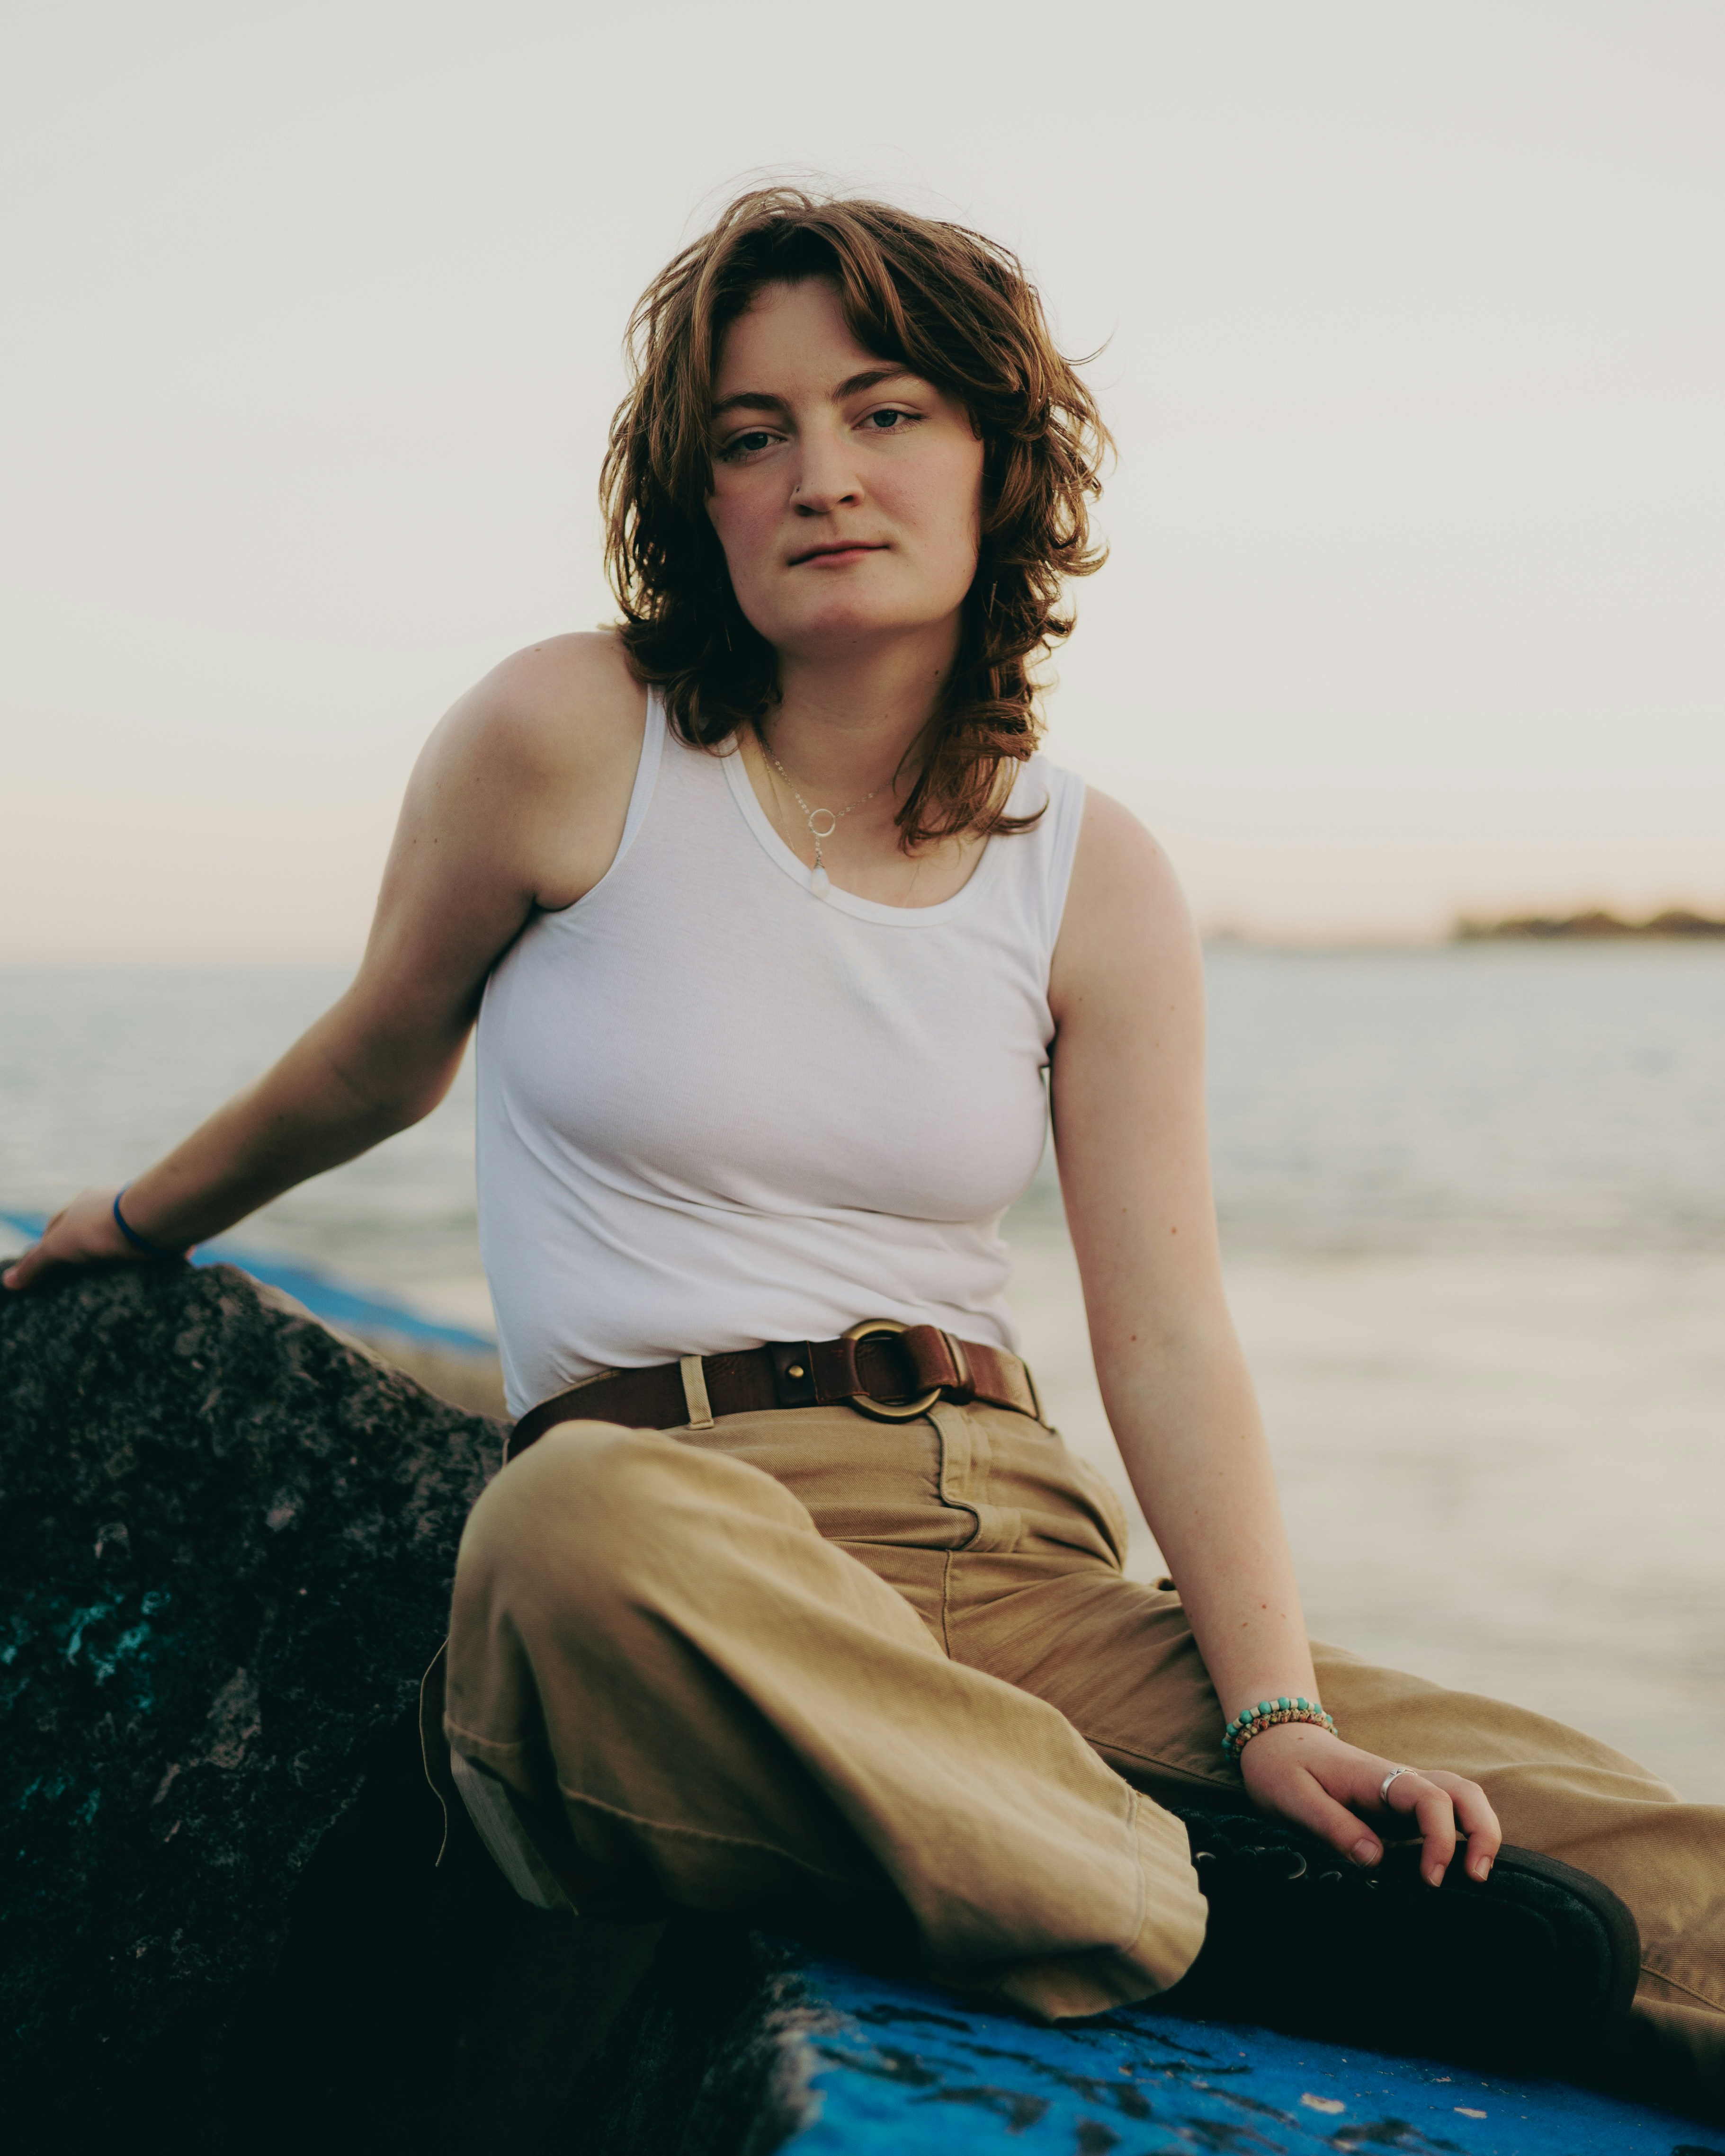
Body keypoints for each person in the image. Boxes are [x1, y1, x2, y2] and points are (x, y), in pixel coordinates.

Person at [8, 188, 1720, 2119]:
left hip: (999, 1552)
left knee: (1652, 1857)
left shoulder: (1087, 866)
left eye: (884, 410)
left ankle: (1144, 1855)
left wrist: (1269, 1711)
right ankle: (1210, 1916)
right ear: (700, 498)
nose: (818, 471)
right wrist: (132, 1218)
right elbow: (375, 1060)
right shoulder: (572, 733)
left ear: (998, 456)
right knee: (562, 1537)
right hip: (676, 1533)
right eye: (753, 436)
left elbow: (1162, 1330)